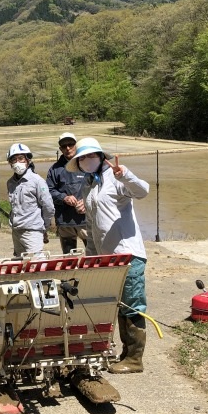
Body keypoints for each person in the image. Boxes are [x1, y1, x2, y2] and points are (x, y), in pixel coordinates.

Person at [66, 137, 149, 373]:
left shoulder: (117, 176)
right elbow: (92, 225)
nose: (86, 160)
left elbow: (142, 191)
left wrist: (125, 175)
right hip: (107, 258)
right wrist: (92, 259)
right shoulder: (89, 185)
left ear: (101, 156)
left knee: (132, 304)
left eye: (91, 155)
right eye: (82, 158)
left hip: (128, 254)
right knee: (117, 304)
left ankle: (134, 358)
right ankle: (124, 353)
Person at [6, 143, 55, 257]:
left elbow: (48, 207)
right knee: (20, 263)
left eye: (21, 158)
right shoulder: (10, 183)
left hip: (32, 231)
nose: (17, 162)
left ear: (28, 160)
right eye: (14, 159)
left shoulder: (37, 181)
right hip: (16, 231)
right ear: (10, 163)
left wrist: (44, 227)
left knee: (36, 264)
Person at [46, 132, 88, 254]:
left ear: (76, 145)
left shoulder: (88, 164)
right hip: (65, 222)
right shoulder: (54, 169)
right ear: (60, 149)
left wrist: (86, 202)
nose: (68, 148)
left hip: (87, 220)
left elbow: (99, 188)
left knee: (94, 255)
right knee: (69, 258)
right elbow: (49, 191)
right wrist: (64, 197)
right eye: (64, 146)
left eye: (70, 144)